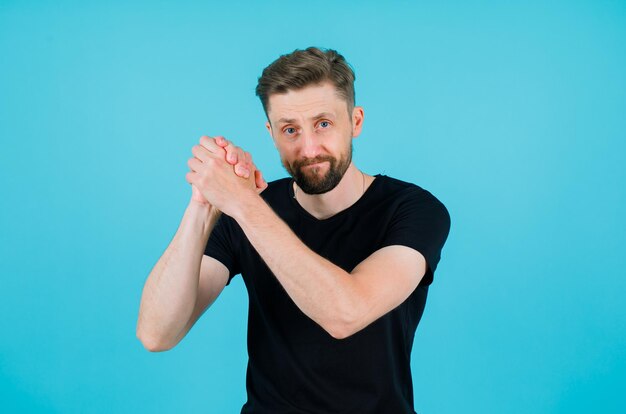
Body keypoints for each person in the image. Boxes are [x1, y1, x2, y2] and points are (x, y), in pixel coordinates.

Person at [137, 47, 451, 413]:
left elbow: (346, 313)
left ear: (356, 121)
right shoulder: (249, 209)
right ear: (271, 134)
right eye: (290, 130)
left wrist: (243, 203)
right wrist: (202, 206)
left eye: (323, 123)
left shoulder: (413, 209)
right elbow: (156, 334)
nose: (309, 148)